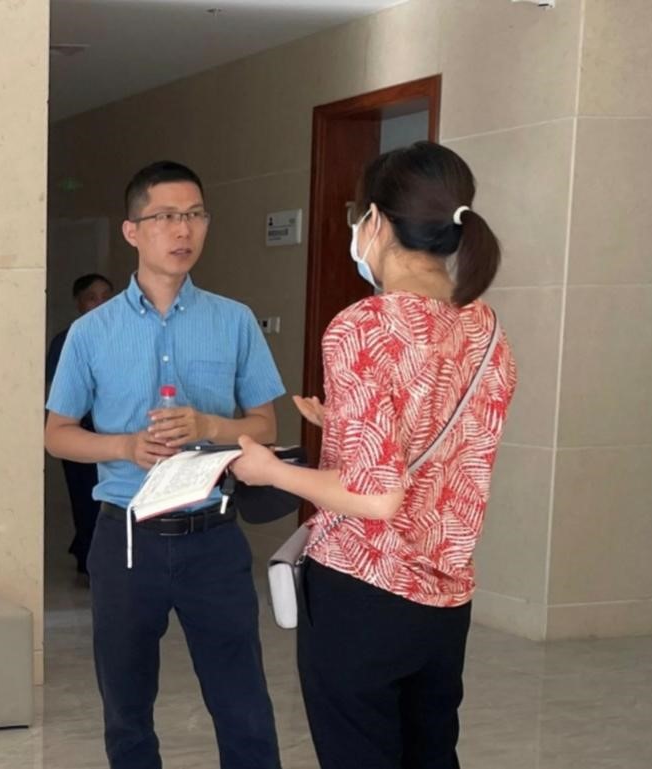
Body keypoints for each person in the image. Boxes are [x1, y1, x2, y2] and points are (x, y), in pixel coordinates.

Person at [232, 141, 518, 769]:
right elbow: (446, 440)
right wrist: (344, 423)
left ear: (377, 221)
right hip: (446, 596)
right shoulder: (487, 329)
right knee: (431, 754)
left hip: (363, 591)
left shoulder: (363, 325)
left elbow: (377, 496)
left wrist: (268, 469)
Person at [45, 161, 284, 769]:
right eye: (167, 216)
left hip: (214, 535)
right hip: (126, 537)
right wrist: (125, 447)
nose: (184, 230)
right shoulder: (89, 333)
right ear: (132, 230)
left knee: (243, 705)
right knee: (127, 712)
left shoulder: (233, 320)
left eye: (195, 214)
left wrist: (209, 427)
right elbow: (57, 435)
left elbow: (265, 426)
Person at [46, 273, 114, 576]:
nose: (100, 304)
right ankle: (88, 559)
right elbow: (56, 395)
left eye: (106, 297)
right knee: (85, 499)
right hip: (80, 434)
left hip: (119, 436)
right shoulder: (68, 340)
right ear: (79, 303)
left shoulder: (124, 334)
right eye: (92, 298)